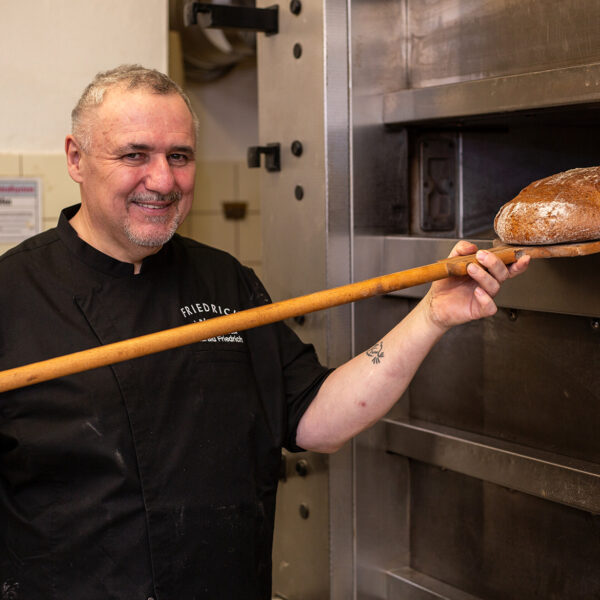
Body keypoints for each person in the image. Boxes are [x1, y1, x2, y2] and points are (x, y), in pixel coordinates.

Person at [0, 65, 529, 599]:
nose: (162, 180)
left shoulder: (225, 280)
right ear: (76, 157)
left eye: (178, 157)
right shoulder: (11, 294)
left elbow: (317, 422)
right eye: (135, 155)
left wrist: (432, 316)